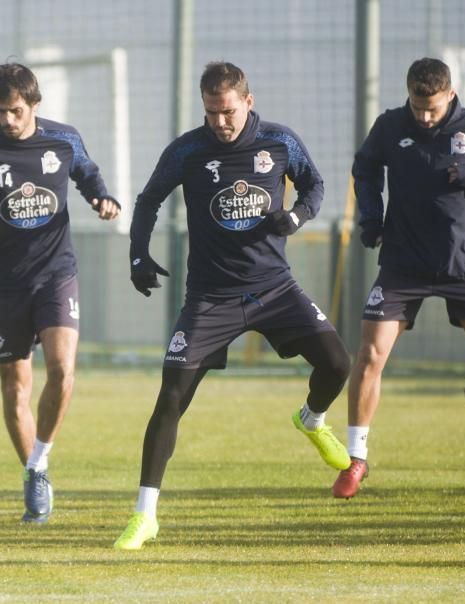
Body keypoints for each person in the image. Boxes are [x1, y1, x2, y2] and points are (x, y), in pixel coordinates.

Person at [113, 61, 352, 550]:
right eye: (210, 112)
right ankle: (145, 516)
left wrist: (297, 217)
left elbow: (316, 186)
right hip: (210, 297)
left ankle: (311, 418)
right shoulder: (188, 149)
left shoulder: (280, 143)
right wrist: (139, 254)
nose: (219, 122)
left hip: (275, 288)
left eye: (227, 111)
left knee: (338, 363)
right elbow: (147, 200)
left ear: (248, 100)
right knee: (172, 397)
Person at [334, 57, 465, 499]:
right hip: (403, 262)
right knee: (368, 354)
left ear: (450, 94)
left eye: (433, 109)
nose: (424, 117)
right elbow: (365, 169)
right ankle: (356, 459)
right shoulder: (389, 125)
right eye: (418, 107)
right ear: (409, 93)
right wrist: (370, 216)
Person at [0, 63, 120, 524]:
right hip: (2, 283)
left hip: (56, 273)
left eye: (15, 111)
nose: (8, 121)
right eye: (0, 112)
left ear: (33, 104)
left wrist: (103, 199)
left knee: (62, 370)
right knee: (16, 386)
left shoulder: (63, 139)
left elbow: (89, 175)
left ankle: (40, 459)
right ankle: (34, 472)